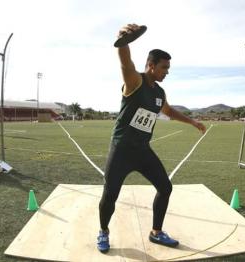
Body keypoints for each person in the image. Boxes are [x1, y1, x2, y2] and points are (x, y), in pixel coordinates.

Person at [97, 24, 206, 253]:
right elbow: (125, 61)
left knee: (165, 188)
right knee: (110, 196)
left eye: (168, 68)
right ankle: (104, 232)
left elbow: (168, 111)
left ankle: (156, 233)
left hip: (142, 150)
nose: (167, 71)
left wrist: (193, 122)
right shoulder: (135, 81)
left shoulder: (159, 92)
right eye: (164, 67)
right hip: (122, 150)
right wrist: (123, 40)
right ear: (151, 66)